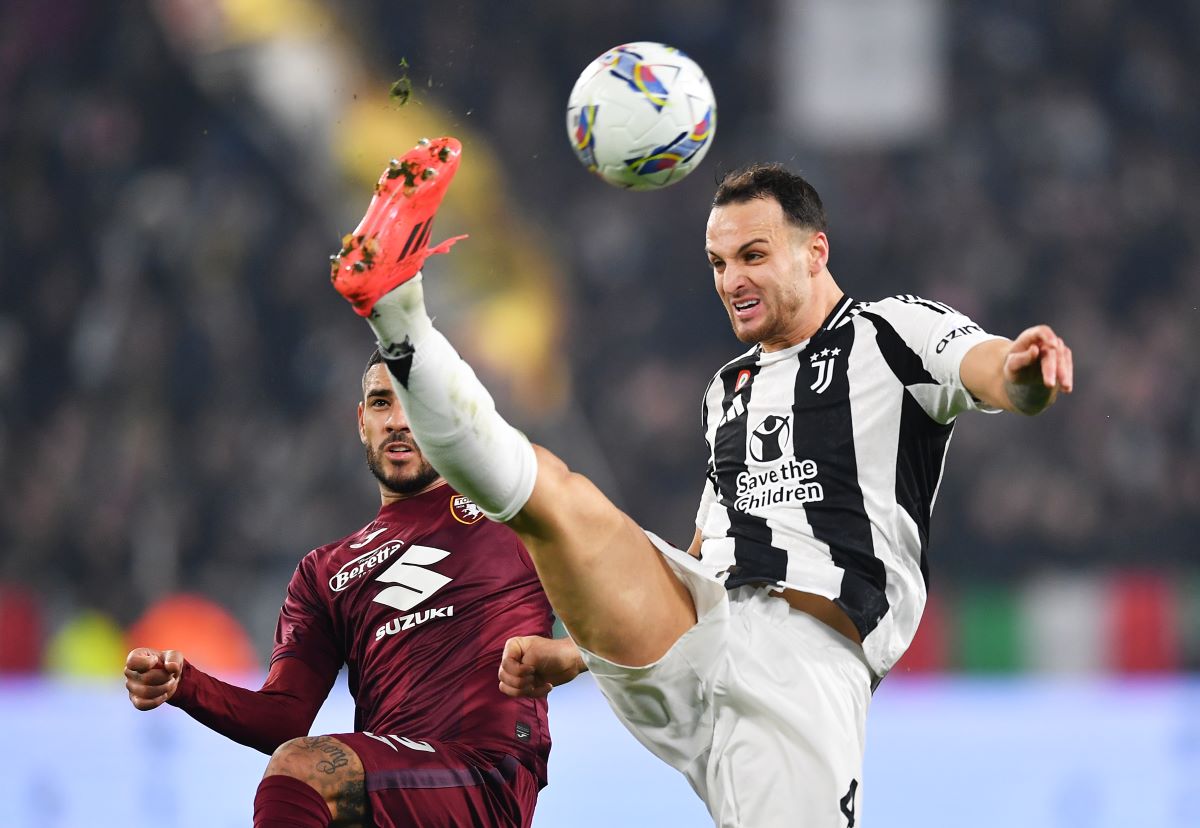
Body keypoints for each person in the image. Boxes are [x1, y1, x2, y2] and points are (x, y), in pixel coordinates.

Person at [330, 137, 1074, 827]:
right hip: (701, 623)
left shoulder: (889, 330)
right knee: (559, 503)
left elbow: (993, 371)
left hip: (805, 671)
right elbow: (704, 551)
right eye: (719, 264)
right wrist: (575, 652)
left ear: (815, 252)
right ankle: (400, 316)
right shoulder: (730, 388)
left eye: (752, 256)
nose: (732, 281)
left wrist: (1024, 372)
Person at [123, 348, 554, 828]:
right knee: (299, 770)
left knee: (303, 768)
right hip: (392, 798)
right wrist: (187, 686)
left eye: (415, 403)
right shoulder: (323, 572)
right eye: (380, 403)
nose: (396, 421)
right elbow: (282, 719)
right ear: (361, 422)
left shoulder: (510, 510)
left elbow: (626, 583)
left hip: (485, 777)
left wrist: (575, 656)